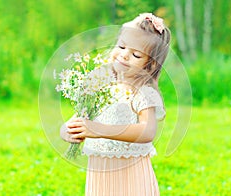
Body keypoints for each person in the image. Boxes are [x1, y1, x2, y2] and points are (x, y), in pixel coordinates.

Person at [60, 13, 171, 196]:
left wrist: (98, 129)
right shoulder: (99, 87)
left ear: (149, 65)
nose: (124, 55)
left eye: (135, 54)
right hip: (101, 176)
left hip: (131, 178)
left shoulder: (143, 92)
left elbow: (148, 131)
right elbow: (78, 120)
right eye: (121, 46)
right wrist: (68, 131)